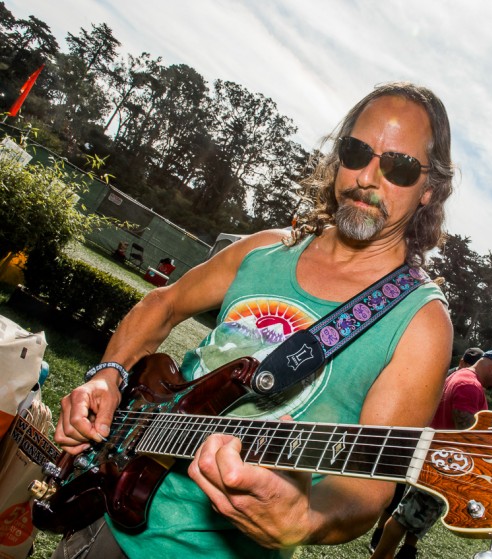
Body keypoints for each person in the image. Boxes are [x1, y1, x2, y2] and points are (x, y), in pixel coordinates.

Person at [52, 82, 456, 559]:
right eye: (356, 151)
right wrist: (108, 375)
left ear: (430, 189)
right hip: (107, 519)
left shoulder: (421, 323)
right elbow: (162, 304)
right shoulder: (266, 247)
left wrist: (308, 518)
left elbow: (367, 491)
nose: (367, 176)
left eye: (400, 167)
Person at [369, 349, 492, 559]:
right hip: (441, 463)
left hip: (436, 459)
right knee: (404, 517)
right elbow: (465, 430)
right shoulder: (470, 385)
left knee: (408, 516)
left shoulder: (460, 376)